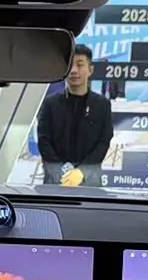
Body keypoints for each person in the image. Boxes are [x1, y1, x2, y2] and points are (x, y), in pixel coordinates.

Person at [36, 44, 114, 185]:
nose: (73, 70)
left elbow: (104, 141)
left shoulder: (102, 105)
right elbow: (44, 140)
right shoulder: (50, 103)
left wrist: (82, 172)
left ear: (90, 70)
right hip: (55, 180)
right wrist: (61, 172)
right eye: (69, 65)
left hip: (89, 181)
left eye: (80, 64)